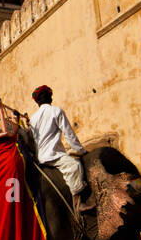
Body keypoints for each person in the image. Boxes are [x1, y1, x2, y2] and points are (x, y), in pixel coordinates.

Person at [28, 86, 94, 214]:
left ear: (37, 102)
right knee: (74, 166)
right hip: (53, 156)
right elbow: (69, 134)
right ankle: (78, 203)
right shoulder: (56, 111)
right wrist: (80, 150)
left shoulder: (33, 119)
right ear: (50, 97)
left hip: (40, 157)